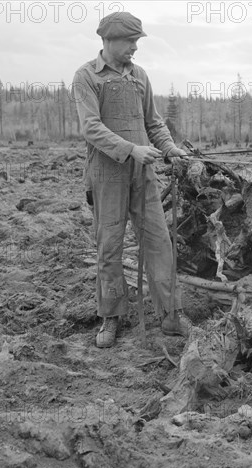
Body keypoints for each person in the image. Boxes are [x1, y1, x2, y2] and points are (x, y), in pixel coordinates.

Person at [73, 12, 190, 348]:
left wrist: (169, 149)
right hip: (107, 175)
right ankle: (110, 316)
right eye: (130, 42)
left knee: (159, 242)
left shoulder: (139, 76)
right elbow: (91, 128)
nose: (135, 49)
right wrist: (130, 149)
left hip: (143, 175)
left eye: (137, 42)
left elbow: (153, 123)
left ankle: (170, 314)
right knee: (109, 247)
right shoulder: (86, 77)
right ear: (108, 40)